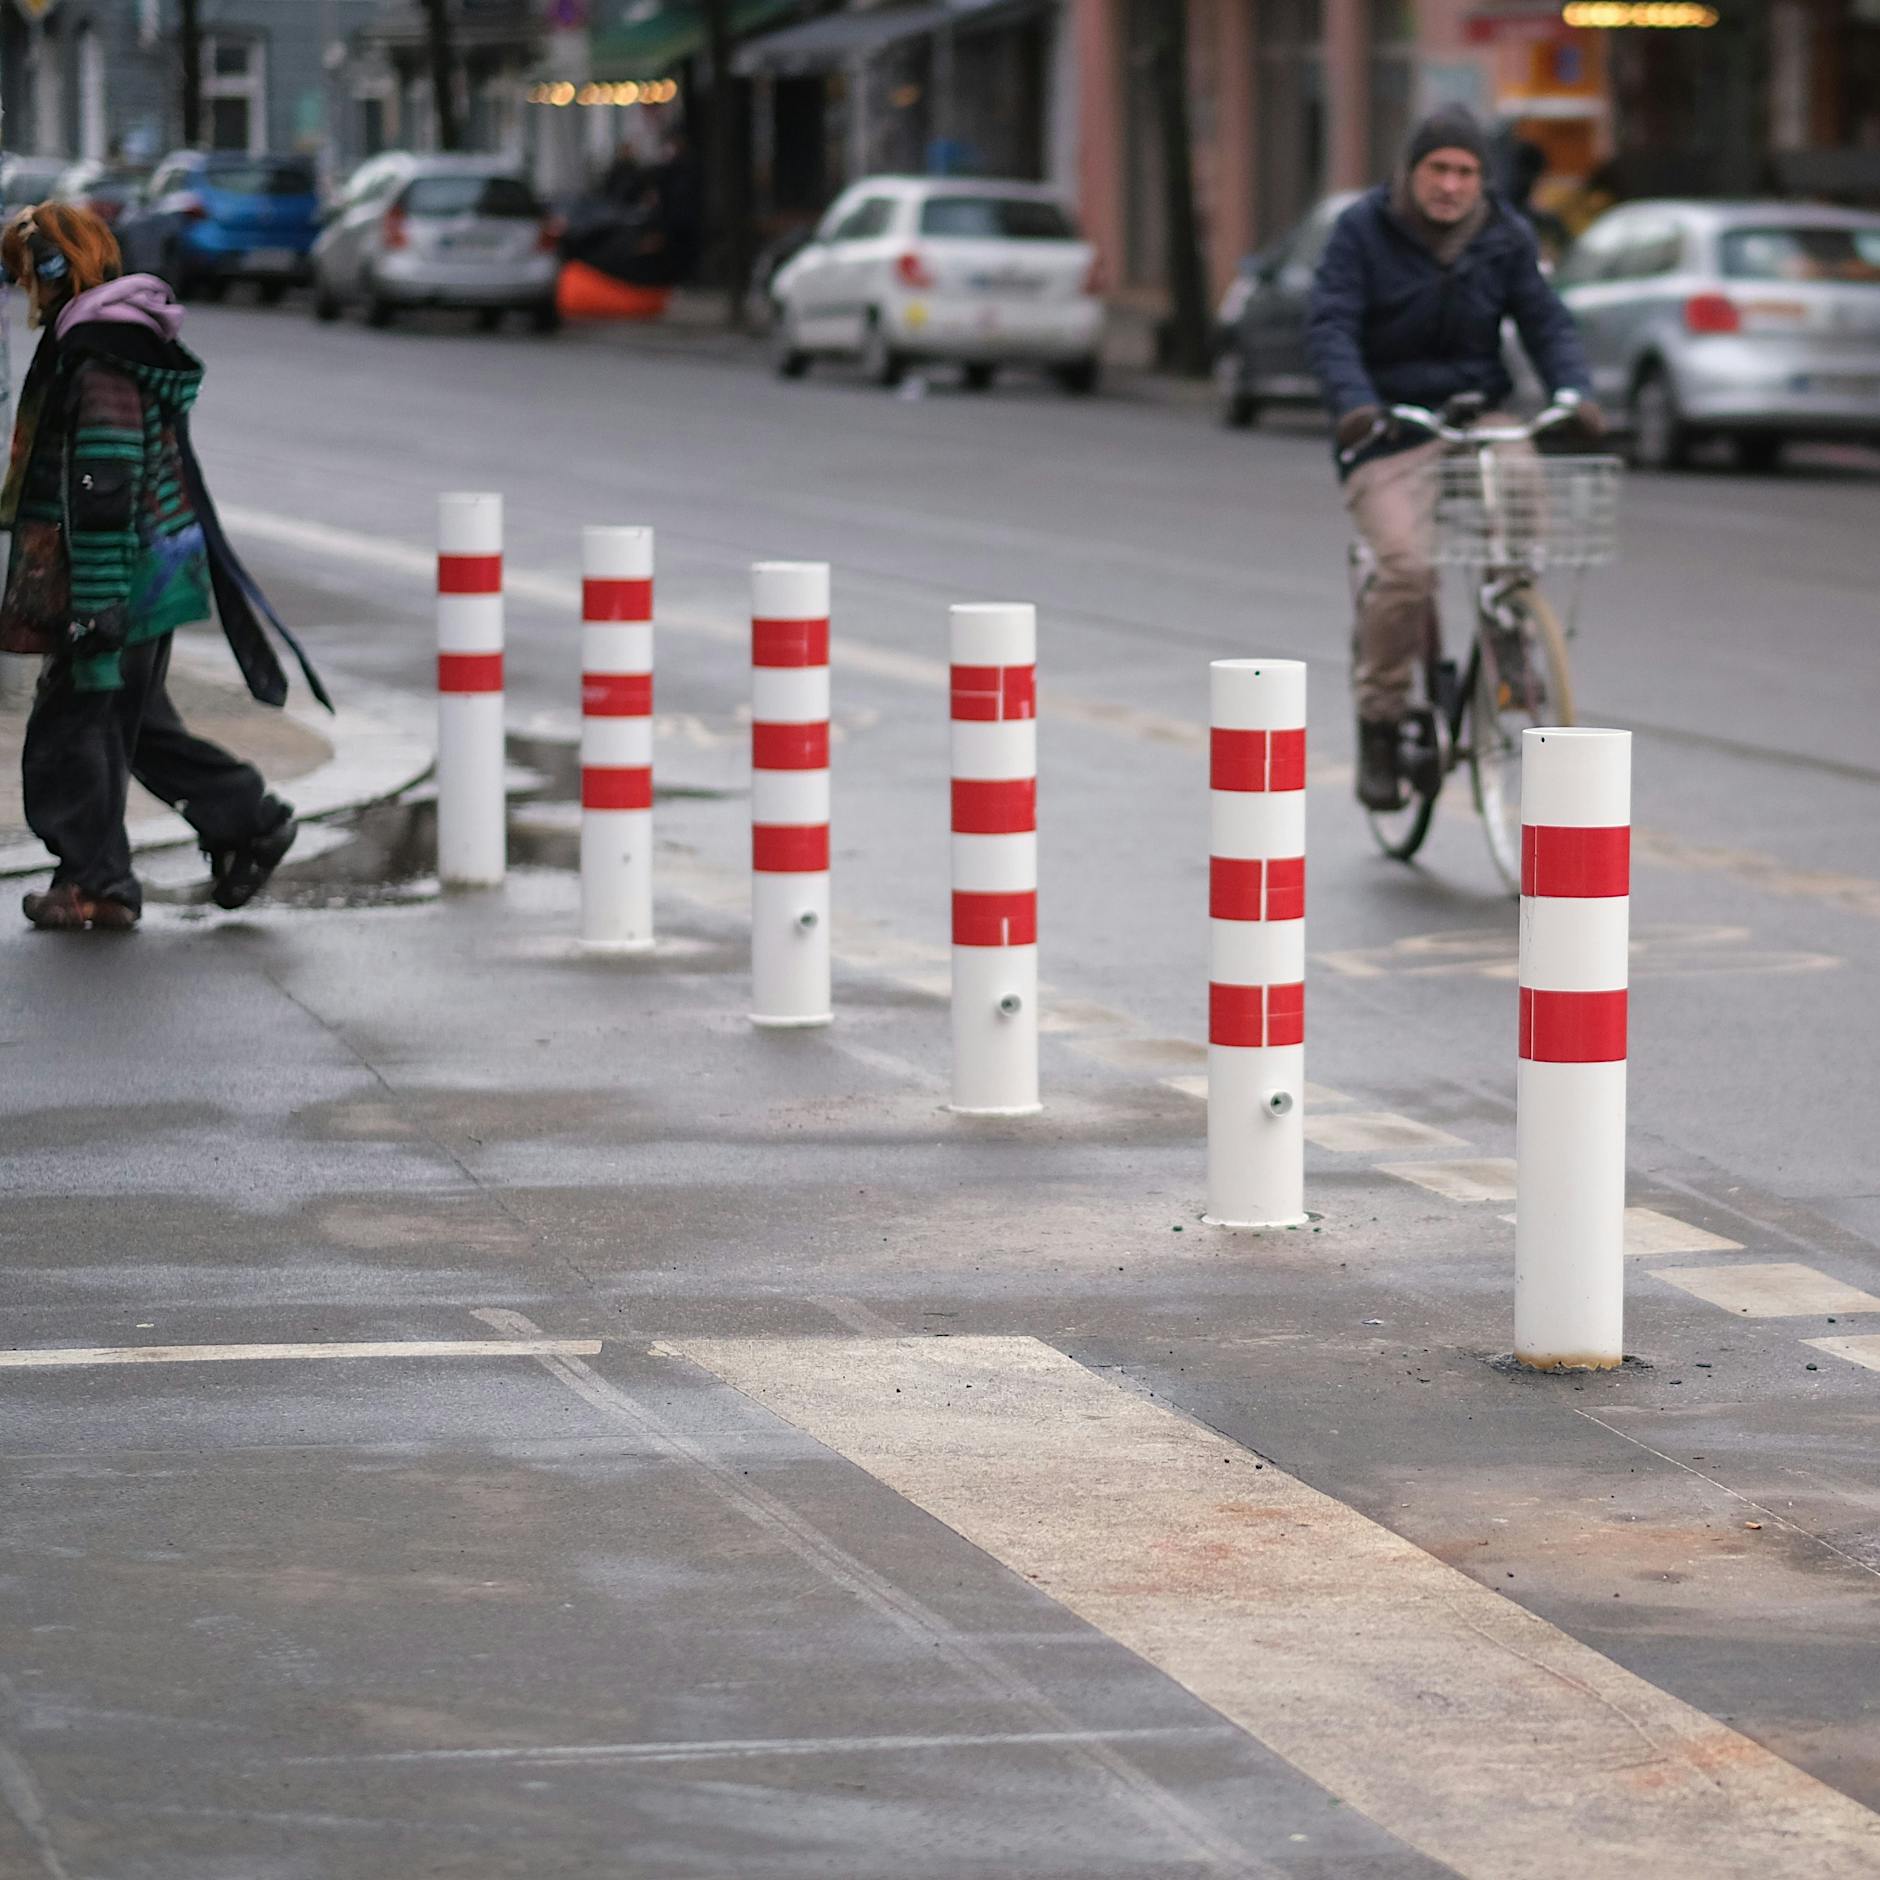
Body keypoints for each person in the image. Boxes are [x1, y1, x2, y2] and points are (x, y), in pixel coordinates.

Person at [0, 203, 321, 931]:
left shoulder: (99, 350)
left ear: (57, 271)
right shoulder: (108, 333)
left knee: (71, 733)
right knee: (130, 725)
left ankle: (96, 883)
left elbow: (107, 487)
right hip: (145, 574)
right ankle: (248, 822)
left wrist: (94, 606)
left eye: (25, 276)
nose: (22, 292)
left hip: (122, 578)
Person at [1305, 106, 1602, 812]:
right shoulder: (1361, 231)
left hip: (1477, 411)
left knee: (1523, 479)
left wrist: (1575, 391)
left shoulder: (1505, 234)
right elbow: (1332, 324)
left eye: (1466, 172)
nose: (1451, 185)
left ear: (1481, 180)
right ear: (1409, 173)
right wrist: (1354, 403)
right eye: (1438, 168)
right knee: (1406, 568)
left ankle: (1511, 635)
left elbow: (1544, 321)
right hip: (1387, 423)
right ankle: (1379, 721)